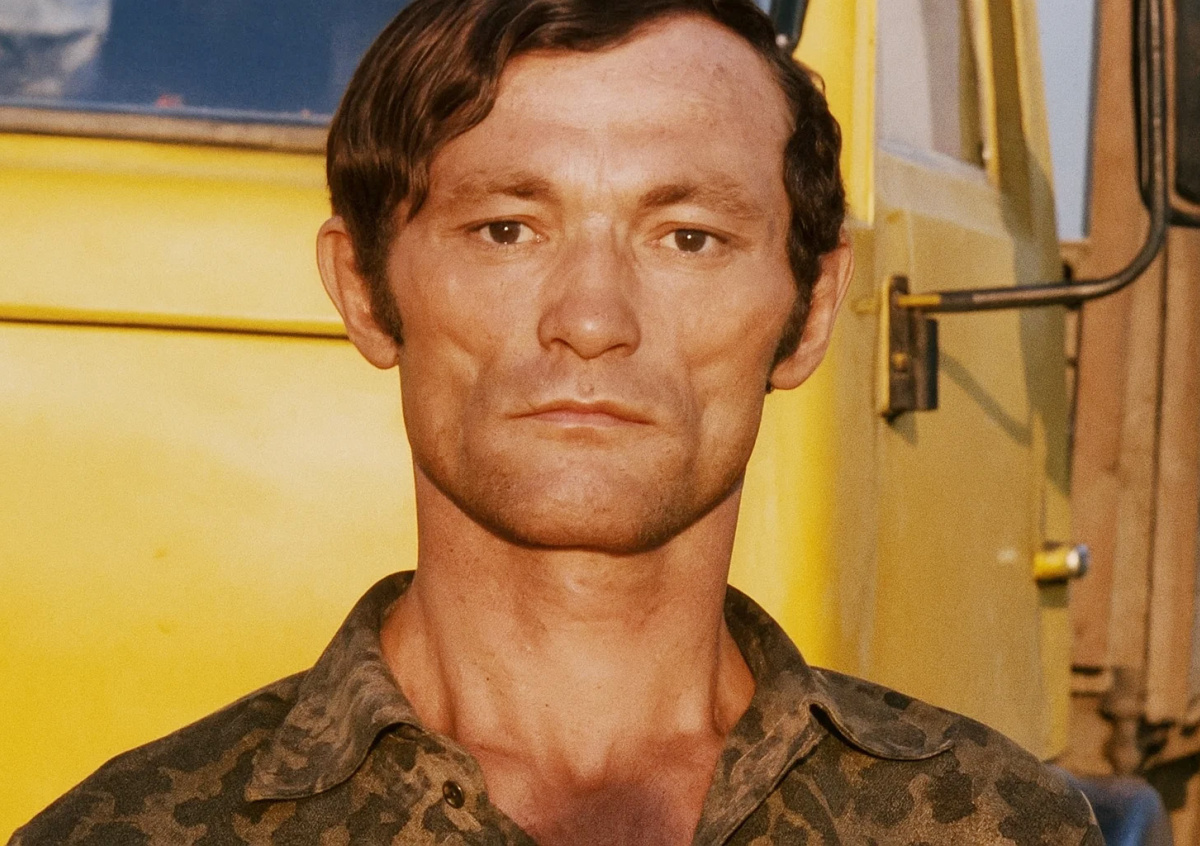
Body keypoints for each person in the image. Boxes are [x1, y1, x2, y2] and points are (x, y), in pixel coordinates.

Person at [11, 0, 1104, 843]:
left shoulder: (995, 826)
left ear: (811, 312)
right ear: (365, 289)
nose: (590, 320)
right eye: (506, 230)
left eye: (688, 238)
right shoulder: (132, 835)